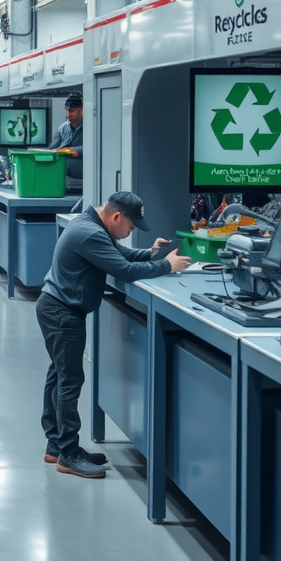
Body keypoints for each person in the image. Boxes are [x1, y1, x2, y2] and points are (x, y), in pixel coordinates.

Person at [36, 191, 191, 479]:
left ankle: (57, 445)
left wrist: (150, 254)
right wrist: (167, 266)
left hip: (57, 308)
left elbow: (118, 254)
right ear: (117, 216)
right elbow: (125, 269)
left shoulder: (91, 224)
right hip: (62, 313)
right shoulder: (89, 233)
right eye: (131, 228)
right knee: (69, 380)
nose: (130, 232)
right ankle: (67, 454)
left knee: (59, 376)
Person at [47, 93, 84, 183]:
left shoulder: (90, 128)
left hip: (85, 180)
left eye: (72, 111)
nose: (68, 115)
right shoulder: (62, 128)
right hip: (65, 178)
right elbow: (52, 150)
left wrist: (69, 151)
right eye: (66, 110)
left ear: (82, 109)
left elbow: (91, 149)